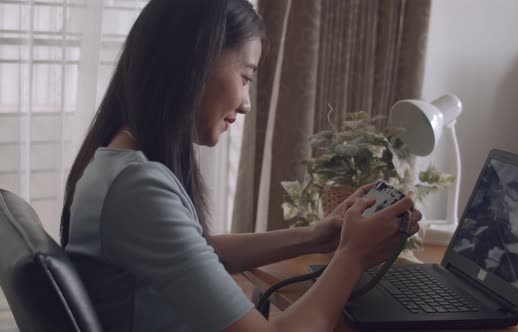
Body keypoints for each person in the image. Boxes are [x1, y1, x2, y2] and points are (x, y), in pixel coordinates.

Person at [60, 0, 422, 331]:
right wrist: (352, 256)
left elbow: (197, 251)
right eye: (245, 77)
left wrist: (318, 236)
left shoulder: (116, 167)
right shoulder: (137, 189)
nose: (247, 103)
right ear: (193, 63)